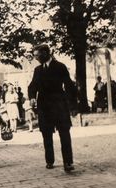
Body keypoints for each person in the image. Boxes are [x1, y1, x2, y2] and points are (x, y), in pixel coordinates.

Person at [28, 44, 77, 172]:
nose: (36, 59)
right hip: (44, 107)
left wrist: (72, 105)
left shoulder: (60, 67)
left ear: (45, 53)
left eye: (37, 56)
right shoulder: (38, 70)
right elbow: (32, 86)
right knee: (46, 134)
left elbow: (69, 86)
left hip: (59, 105)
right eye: (35, 56)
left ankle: (68, 162)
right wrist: (32, 97)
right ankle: (49, 160)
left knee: (64, 134)